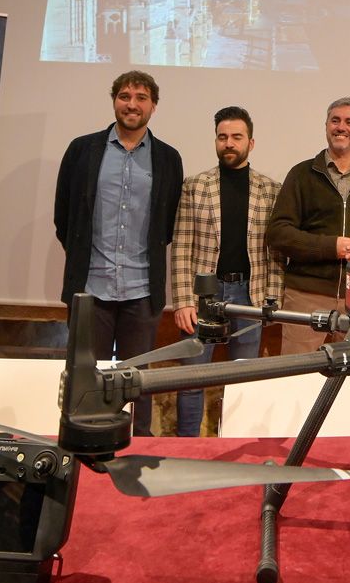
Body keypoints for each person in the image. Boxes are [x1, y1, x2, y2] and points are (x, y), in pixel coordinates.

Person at [54, 70, 183, 436]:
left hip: (142, 291)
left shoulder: (169, 159)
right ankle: (82, 447)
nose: (132, 104)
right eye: (125, 96)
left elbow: (169, 220)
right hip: (91, 289)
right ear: (114, 101)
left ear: (153, 106)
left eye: (141, 97)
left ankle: (140, 448)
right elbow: (64, 218)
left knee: (136, 384)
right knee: (84, 382)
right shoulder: (82, 150)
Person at [170, 106, 284, 436]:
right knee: (191, 380)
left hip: (249, 295)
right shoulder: (195, 186)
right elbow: (181, 246)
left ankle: (235, 447)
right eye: (222, 137)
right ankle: (188, 448)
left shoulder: (270, 190)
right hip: (203, 297)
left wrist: (271, 300)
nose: (229, 143)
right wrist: (182, 301)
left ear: (251, 142)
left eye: (236, 137)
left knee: (243, 379)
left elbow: (274, 252)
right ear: (216, 141)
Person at [267, 96, 350, 354]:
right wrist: (331, 247)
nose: (341, 127)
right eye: (335, 120)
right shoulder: (301, 175)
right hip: (306, 295)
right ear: (326, 126)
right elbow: (279, 233)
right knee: (296, 377)